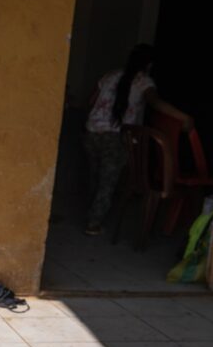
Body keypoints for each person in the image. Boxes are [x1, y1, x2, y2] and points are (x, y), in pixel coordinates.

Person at [83, 44, 194, 235]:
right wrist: (184, 118)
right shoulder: (144, 82)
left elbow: (91, 101)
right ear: (149, 65)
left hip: (91, 132)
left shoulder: (110, 75)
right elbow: (156, 103)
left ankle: (90, 213)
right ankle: (93, 223)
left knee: (93, 176)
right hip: (115, 138)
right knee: (107, 182)